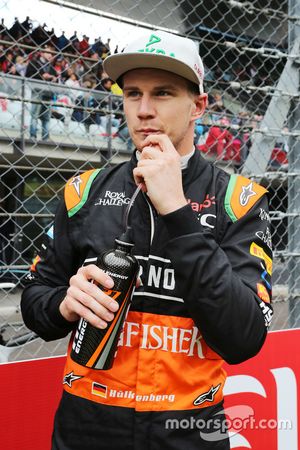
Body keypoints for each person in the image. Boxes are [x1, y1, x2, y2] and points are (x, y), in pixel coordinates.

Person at [21, 30, 273, 450]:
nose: (143, 111)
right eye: (132, 93)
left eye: (162, 93)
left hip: (187, 433)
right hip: (87, 428)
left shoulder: (239, 201)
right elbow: (34, 304)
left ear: (198, 106)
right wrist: (64, 303)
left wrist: (177, 210)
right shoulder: (83, 192)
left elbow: (243, 339)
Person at [25, 45, 57, 141]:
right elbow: (28, 75)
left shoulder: (51, 68)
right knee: (34, 115)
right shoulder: (34, 63)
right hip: (37, 91)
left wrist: (54, 78)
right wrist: (42, 76)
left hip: (48, 94)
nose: (49, 55)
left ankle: (45, 137)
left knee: (46, 117)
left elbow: (55, 78)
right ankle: (33, 135)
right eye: (47, 52)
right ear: (42, 53)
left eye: (50, 53)